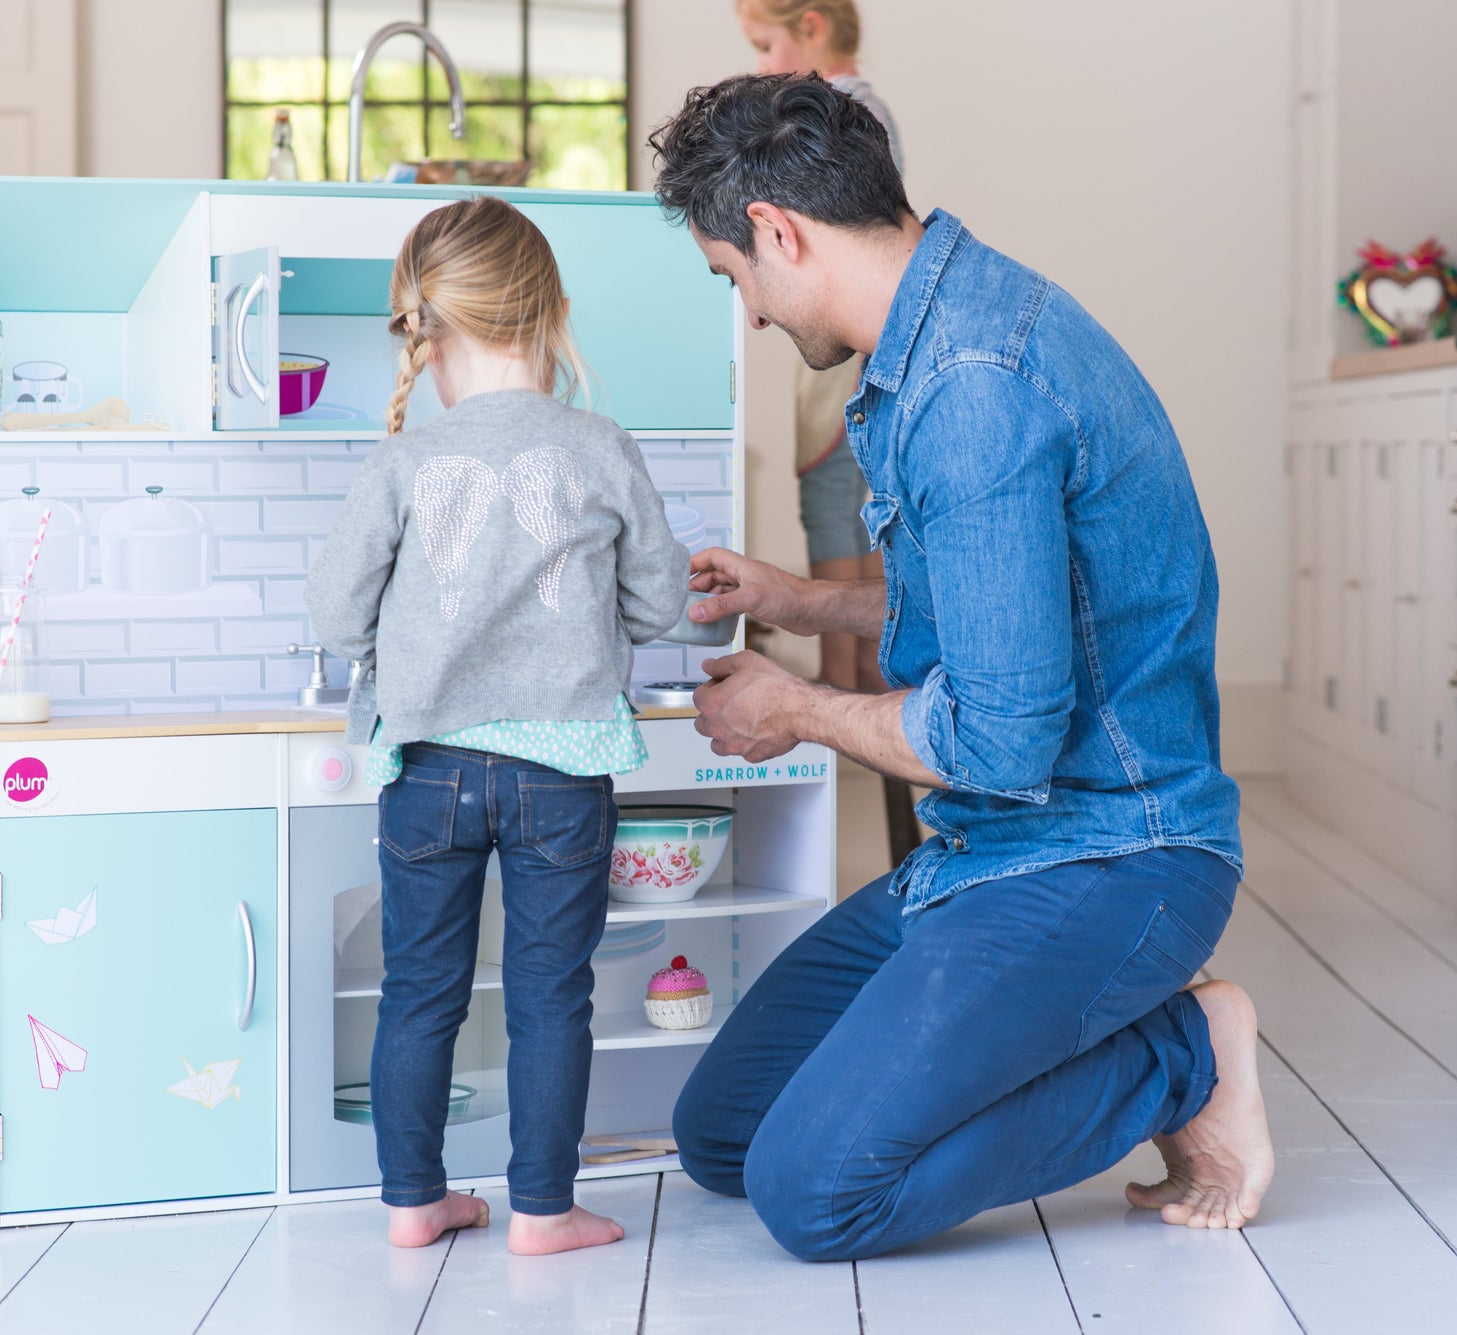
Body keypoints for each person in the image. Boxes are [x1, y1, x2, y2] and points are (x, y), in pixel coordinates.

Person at [649, 74, 1273, 1262]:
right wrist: (796, 596)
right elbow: (1006, 614)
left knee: (814, 1195)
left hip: (1109, 856)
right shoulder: (945, 330)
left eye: (738, 281)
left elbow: (999, 735)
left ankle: (1182, 1057)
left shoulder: (969, 391)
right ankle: (1106, 1044)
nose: (757, 317)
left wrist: (796, 708)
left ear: (777, 231)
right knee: (725, 1135)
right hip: (987, 854)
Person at [306, 196, 689, 1256]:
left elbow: (334, 616)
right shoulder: (600, 445)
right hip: (560, 776)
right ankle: (542, 1211)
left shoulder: (401, 463)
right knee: (547, 997)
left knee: (416, 990)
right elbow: (657, 609)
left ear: (424, 330)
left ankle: (413, 1203)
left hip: (425, 772)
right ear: (553, 312)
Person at [736, 0, 925, 863]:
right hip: (840, 379)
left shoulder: (843, 114)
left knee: (851, 529)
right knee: (838, 529)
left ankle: (861, 712)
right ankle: (855, 714)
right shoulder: (850, 108)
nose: (766, 63)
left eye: (767, 43)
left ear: (811, 27)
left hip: (851, 379)